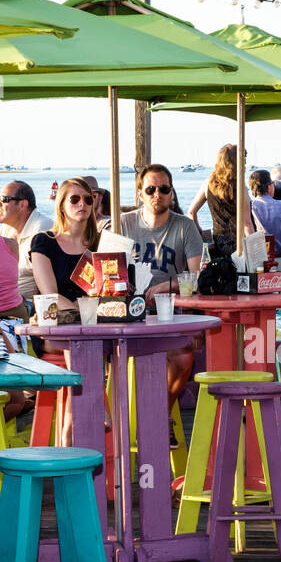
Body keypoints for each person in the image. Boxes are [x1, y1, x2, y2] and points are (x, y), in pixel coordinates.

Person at [118, 165, 203, 405]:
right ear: (140, 194)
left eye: (164, 189)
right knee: (110, 357)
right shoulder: (122, 224)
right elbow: (105, 270)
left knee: (184, 360)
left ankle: (159, 414)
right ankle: (138, 416)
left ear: (172, 193)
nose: (158, 194)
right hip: (127, 312)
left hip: (168, 312)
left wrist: (166, 286)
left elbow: (195, 278)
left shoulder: (185, 227)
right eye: (151, 189)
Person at [30, 177, 101, 319]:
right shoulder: (44, 242)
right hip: (54, 320)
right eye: (74, 199)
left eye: (88, 200)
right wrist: (79, 310)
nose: (82, 203)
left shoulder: (100, 242)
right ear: (62, 206)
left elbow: (111, 289)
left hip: (95, 318)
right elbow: (49, 295)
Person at [0, 180, 54, 306]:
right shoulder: (6, 229)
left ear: (22, 205)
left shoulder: (42, 230)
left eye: (4, 199)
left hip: (29, 304)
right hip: (6, 301)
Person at [189, 144, 255, 247]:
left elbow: (191, 212)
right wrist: (255, 249)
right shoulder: (241, 188)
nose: (245, 164)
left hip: (219, 243)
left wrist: (199, 232)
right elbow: (246, 224)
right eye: (244, 161)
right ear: (236, 164)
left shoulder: (208, 184)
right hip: (239, 245)